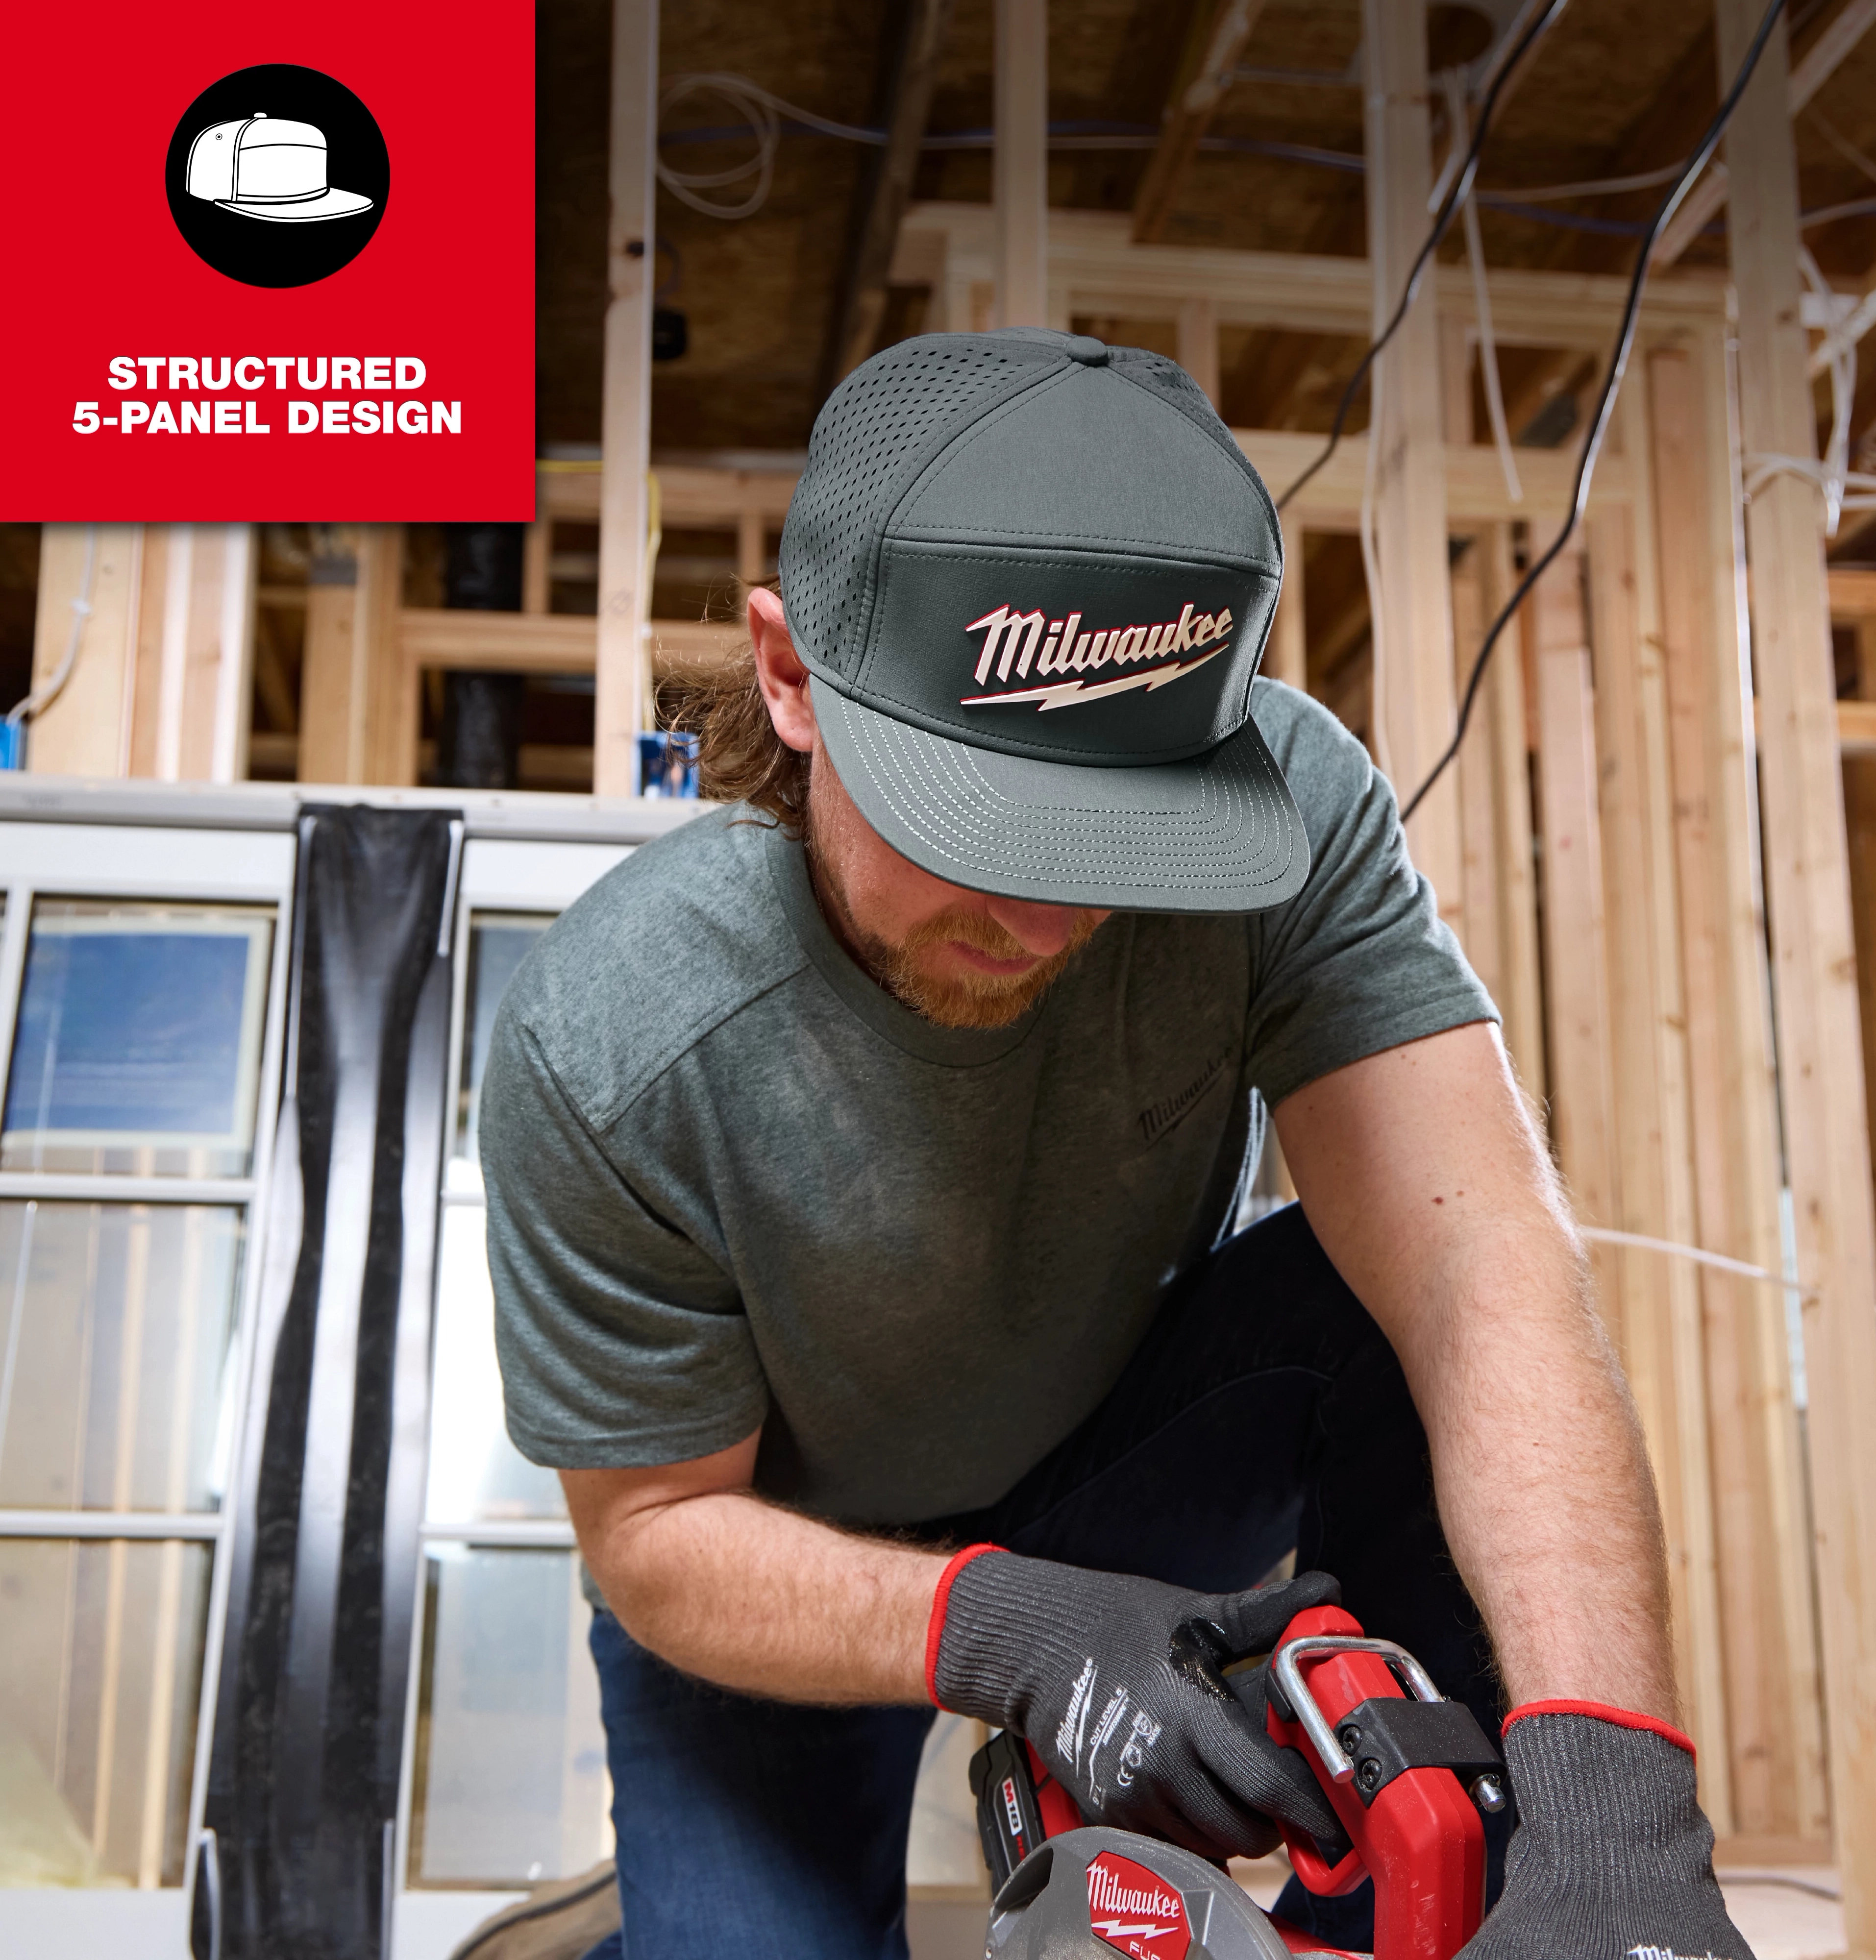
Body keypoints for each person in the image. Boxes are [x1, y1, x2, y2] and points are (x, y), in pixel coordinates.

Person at [481, 328, 1752, 1960]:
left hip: (1112, 1460)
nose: (1043, 918)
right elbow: (652, 1540)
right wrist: (1002, 1628)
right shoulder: (613, 1042)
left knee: (1376, 1286)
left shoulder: (1293, 809)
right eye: (974, 824)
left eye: (1116, 841)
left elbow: (1478, 1257)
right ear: (792, 681)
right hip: (770, 1561)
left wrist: (1620, 1800)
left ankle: (1469, 1900)